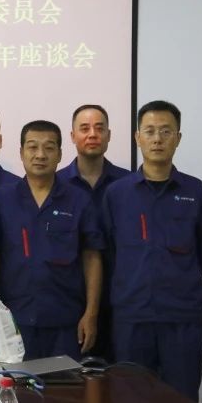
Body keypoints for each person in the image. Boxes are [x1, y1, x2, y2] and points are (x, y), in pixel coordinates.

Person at [101, 100, 202, 400]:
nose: (157, 139)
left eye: (166, 131)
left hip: (181, 316)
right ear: (137, 137)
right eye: (149, 131)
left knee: (182, 402)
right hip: (132, 316)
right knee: (131, 402)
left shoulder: (196, 191)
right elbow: (110, 252)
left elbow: (201, 251)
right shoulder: (117, 193)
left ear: (178, 138)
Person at [0, 120, 104, 359]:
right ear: (21, 153)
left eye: (49, 148)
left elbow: (91, 257)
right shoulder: (0, 200)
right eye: (32, 147)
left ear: (59, 154)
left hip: (65, 321)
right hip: (13, 320)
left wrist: (91, 314)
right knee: (16, 382)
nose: (40, 155)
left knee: (64, 383)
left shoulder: (79, 200)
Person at [59, 103, 130, 360]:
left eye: (99, 129)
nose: (92, 134)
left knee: (119, 377)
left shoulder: (129, 184)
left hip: (121, 299)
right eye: (85, 128)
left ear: (109, 135)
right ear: (72, 136)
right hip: (68, 300)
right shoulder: (56, 185)